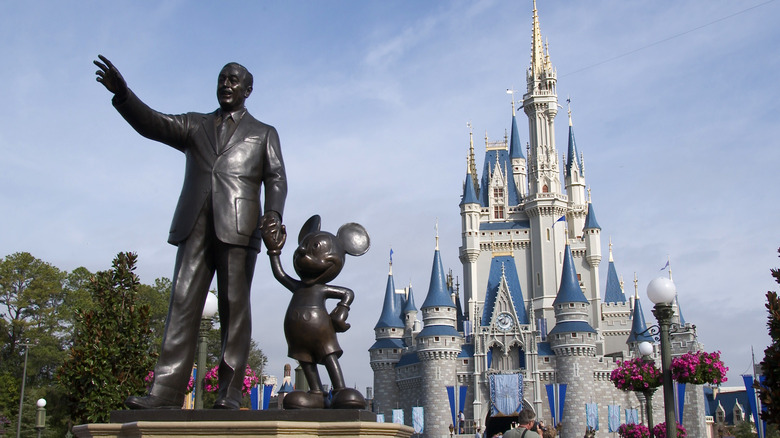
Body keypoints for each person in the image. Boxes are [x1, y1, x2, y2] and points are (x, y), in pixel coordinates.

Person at [94, 55, 287, 410]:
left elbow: (276, 178)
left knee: (234, 308)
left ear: (248, 90)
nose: (226, 84)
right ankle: (165, 393)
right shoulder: (195, 125)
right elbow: (153, 123)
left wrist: (273, 215)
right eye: (221, 79)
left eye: (233, 80)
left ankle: (229, 392)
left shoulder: (263, 133)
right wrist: (124, 95)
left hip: (240, 227)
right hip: (194, 224)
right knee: (181, 304)